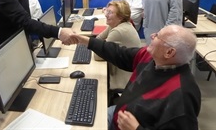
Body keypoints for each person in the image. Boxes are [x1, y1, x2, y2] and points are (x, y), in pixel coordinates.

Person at [70, 25, 201, 130]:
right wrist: (82, 40)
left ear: (169, 52)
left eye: (157, 36)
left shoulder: (182, 96)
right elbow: (118, 53)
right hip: (118, 114)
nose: (151, 36)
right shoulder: (151, 57)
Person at [95, 0, 141, 103]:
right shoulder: (115, 25)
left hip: (124, 76)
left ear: (120, 17)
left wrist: (98, 46)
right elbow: (97, 40)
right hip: (123, 68)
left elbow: (98, 55)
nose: (106, 15)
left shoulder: (118, 31)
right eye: (107, 11)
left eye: (110, 12)